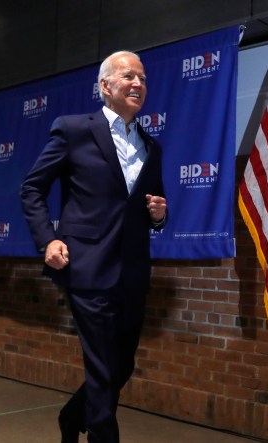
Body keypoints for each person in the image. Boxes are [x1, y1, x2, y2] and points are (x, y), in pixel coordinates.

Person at [20, 50, 167, 443]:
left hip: (133, 271)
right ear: (105, 86)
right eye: (128, 76)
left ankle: (72, 417)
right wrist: (47, 239)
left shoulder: (152, 147)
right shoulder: (73, 130)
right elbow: (33, 188)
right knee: (102, 369)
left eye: (143, 77)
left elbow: (156, 206)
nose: (138, 83)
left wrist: (159, 214)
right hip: (86, 267)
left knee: (120, 367)